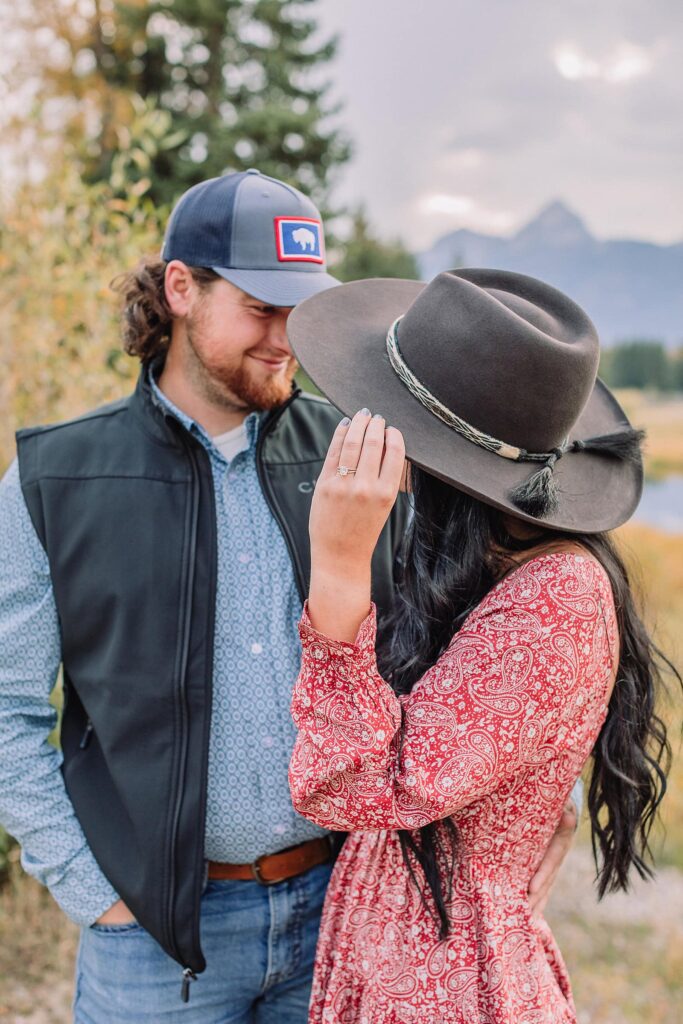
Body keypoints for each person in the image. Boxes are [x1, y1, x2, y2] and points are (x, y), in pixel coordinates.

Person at [0, 174, 576, 1024]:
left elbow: (464, 650)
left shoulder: (371, 454)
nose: (286, 339)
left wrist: (528, 797)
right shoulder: (53, 480)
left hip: (346, 913)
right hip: (154, 944)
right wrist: (98, 897)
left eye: (299, 310)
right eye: (261, 307)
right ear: (180, 288)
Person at [286, 268, 676, 1023]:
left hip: (447, 978)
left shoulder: (555, 595)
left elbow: (358, 788)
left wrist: (336, 570)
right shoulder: (494, 561)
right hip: (414, 944)